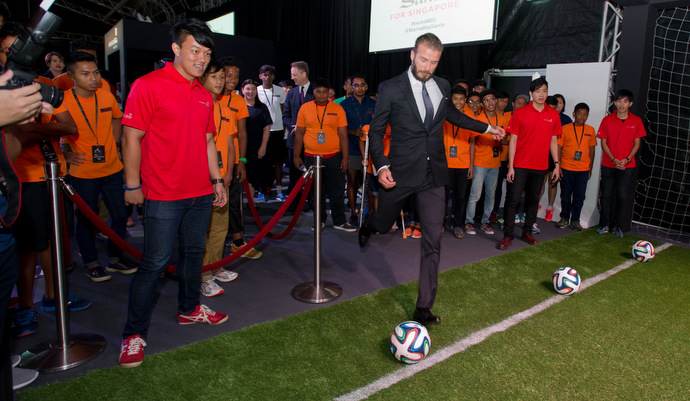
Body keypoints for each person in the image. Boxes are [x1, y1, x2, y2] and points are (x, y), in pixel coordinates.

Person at [359, 33, 505, 325]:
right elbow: (375, 132)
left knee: (432, 241)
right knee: (384, 223)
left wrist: (487, 128)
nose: (427, 67)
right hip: (399, 173)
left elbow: (454, 115)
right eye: (423, 60)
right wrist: (381, 165)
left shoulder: (442, 85)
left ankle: (423, 306)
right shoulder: (390, 88)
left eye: (434, 62)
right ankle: (369, 224)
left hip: (434, 176)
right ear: (412, 55)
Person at [119, 19, 228, 369]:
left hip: (199, 192)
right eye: (195, 50)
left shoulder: (204, 95)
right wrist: (132, 185)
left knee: (193, 255)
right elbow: (130, 137)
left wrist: (217, 180)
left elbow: (209, 141)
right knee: (153, 262)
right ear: (176, 49)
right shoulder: (148, 85)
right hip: (162, 194)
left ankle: (189, 309)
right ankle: (133, 334)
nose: (201, 58)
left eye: (207, 53)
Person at [54, 51, 137, 282]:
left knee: (120, 215)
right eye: (85, 73)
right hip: (83, 172)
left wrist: (117, 144)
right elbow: (52, 132)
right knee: (86, 219)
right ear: (71, 76)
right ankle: (91, 262)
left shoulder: (107, 96)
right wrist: (64, 155)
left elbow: (117, 118)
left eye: (96, 72)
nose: (93, 78)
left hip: (112, 168)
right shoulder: (63, 101)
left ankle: (114, 258)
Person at [497, 78, 561, 250]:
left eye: (544, 91)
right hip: (520, 165)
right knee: (513, 200)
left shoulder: (553, 115)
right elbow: (513, 140)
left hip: (540, 166)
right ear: (532, 94)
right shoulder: (520, 112)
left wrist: (556, 164)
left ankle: (527, 232)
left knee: (533, 201)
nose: (541, 95)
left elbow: (553, 141)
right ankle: (507, 235)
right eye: (538, 91)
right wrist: (511, 166)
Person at [293, 78, 356, 232]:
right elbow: (299, 134)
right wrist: (296, 156)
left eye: (324, 92)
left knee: (337, 190)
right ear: (313, 92)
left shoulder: (337, 109)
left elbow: (343, 136)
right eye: (318, 92)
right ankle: (319, 220)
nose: (321, 95)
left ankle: (339, 221)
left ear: (329, 93)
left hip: (334, 156)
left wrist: (346, 158)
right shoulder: (305, 108)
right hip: (311, 157)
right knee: (316, 192)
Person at [199, 60, 237, 298]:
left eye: (222, 77)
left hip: (223, 177)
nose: (220, 81)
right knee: (202, 228)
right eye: (215, 77)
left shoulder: (224, 107)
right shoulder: (197, 106)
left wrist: (230, 172)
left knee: (220, 228)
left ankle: (214, 266)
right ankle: (202, 275)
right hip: (203, 178)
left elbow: (232, 142)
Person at [219, 57, 262, 259]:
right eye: (228, 75)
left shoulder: (238, 101)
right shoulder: (208, 97)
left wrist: (242, 161)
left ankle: (237, 242)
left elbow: (242, 133)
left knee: (234, 203)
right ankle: (211, 251)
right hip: (211, 163)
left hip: (234, 161)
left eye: (236, 76)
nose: (232, 80)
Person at [596, 89, 646, 238]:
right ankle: (604, 224)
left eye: (625, 101)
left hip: (627, 165)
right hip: (608, 164)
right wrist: (613, 159)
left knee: (622, 196)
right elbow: (603, 143)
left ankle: (618, 226)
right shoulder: (607, 120)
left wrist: (627, 159)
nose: (621, 104)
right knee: (605, 195)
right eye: (619, 101)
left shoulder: (636, 121)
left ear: (630, 103)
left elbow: (637, 144)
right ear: (615, 102)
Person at [465, 89, 508, 236]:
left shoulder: (502, 119)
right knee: (475, 194)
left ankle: (485, 222)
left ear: (496, 101)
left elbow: (506, 139)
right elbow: (471, 142)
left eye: (492, 99)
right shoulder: (479, 120)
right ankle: (469, 222)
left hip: (495, 164)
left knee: (491, 195)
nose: (490, 103)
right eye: (487, 100)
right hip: (479, 163)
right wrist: (471, 164)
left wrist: (504, 140)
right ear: (482, 104)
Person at [340, 74, 376, 227]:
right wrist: (353, 132)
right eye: (356, 85)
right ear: (351, 87)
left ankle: (368, 213)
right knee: (352, 182)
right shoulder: (344, 104)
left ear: (366, 87)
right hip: (352, 148)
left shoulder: (373, 103)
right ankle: (353, 213)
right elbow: (339, 129)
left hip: (370, 148)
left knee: (369, 182)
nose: (360, 88)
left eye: (362, 85)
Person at [443, 85, 478, 239]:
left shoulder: (470, 114)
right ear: (451, 99)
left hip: (463, 163)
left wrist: (471, 164)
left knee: (460, 196)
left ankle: (458, 225)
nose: (458, 102)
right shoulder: (445, 112)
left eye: (461, 99)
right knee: (443, 196)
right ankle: (441, 225)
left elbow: (472, 142)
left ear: (465, 100)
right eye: (455, 98)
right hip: (446, 162)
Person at [557, 102, 597, 231]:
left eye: (585, 115)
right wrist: (558, 166)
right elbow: (559, 147)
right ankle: (564, 218)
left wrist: (590, 168)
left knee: (579, 196)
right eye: (580, 114)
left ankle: (575, 220)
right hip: (566, 167)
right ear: (574, 114)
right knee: (565, 195)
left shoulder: (590, 130)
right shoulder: (565, 128)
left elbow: (592, 150)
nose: (582, 117)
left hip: (583, 170)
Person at [282, 61, 314, 200]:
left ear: (303, 74)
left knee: (312, 176)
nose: (292, 78)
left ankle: (315, 205)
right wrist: (293, 126)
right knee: (294, 176)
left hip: (311, 142)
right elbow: (285, 115)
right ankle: (294, 203)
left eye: (294, 75)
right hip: (294, 141)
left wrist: (303, 127)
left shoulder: (316, 91)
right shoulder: (291, 93)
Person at [257, 65, 287, 201]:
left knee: (278, 162)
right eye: (265, 75)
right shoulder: (256, 91)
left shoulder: (280, 90)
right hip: (262, 131)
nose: (267, 77)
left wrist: (284, 129)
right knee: (262, 162)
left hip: (278, 131)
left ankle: (280, 191)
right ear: (260, 76)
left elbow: (283, 110)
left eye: (270, 75)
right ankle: (261, 191)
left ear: (274, 76)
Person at [241, 79, 273, 202]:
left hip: (257, 146)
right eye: (248, 89)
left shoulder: (262, 107)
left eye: (253, 89)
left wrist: (263, 146)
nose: (251, 91)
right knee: (244, 175)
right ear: (243, 90)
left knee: (254, 176)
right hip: (242, 147)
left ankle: (251, 204)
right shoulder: (239, 106)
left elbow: (267, 128)